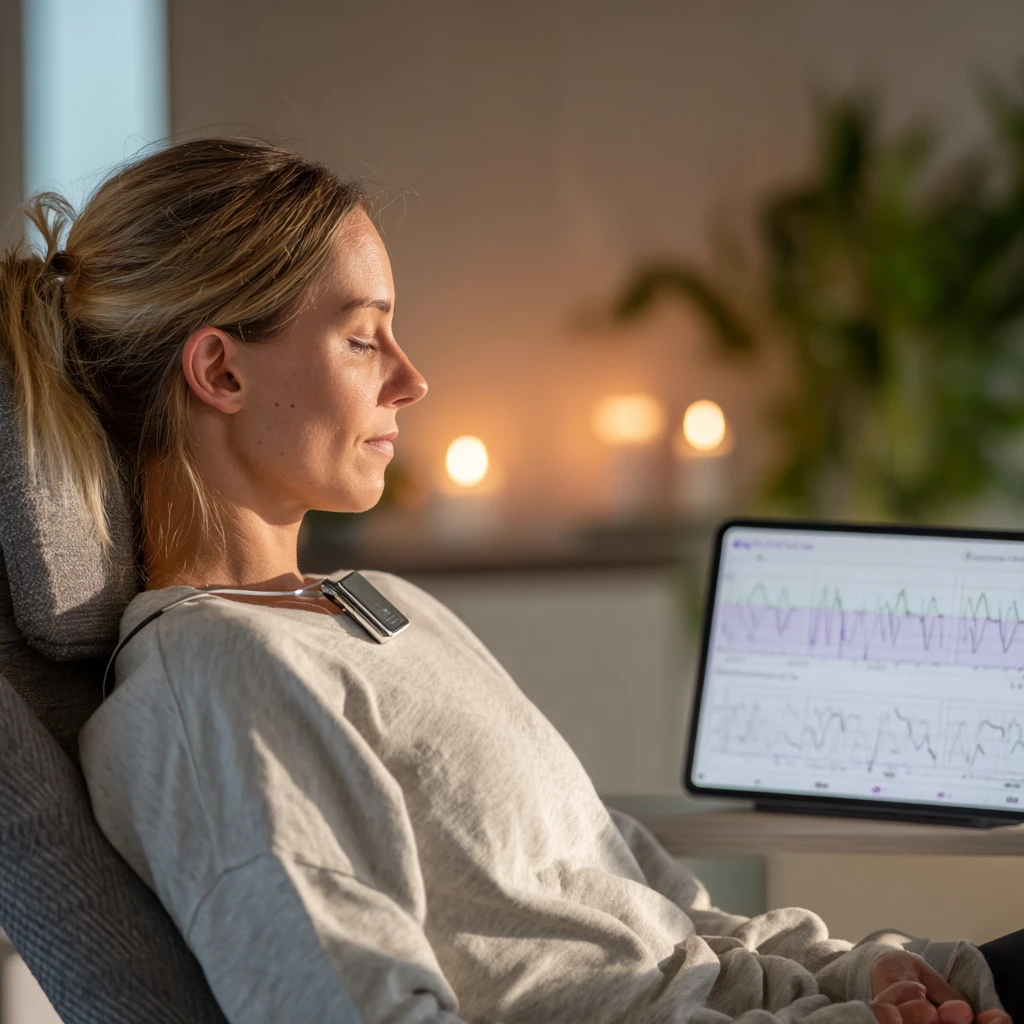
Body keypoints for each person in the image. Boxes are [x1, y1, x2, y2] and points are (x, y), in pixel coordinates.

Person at [0, 137, 1017, 1024]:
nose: (410, 376)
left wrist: (874, 966)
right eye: (363, 336)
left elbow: (665, 915)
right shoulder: (211, 686)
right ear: (220, 373)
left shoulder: (384, 607)